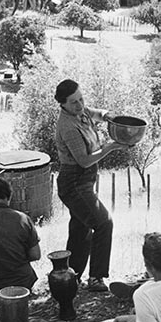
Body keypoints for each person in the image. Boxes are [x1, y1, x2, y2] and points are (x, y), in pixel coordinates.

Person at [54, 79, 125, 292]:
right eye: (74, 102)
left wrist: (110, 116)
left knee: (80, 228)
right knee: (104, 222)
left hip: (84, 180)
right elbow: (84, 160)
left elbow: (98, 114)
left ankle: (70, 276)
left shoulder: (81, 112)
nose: (80, 104)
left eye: (81, 98)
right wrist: (110, 148)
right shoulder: (67, 126)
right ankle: (96, 278)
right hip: (74, 181)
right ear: (63, 104)